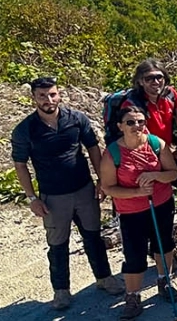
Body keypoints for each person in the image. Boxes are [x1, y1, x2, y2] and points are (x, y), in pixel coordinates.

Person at [11, 76, 120, 308]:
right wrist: (32, 198)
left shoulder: (76, 118)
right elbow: (20, 165)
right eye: (42, 96)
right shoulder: (25, 129)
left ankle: (104, 278)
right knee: (58, 245)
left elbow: (93, 147)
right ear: (34, 98)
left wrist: (101, 180)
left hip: (84, 190)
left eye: (52, 94)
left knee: (94, 236)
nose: (48, 100)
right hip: (52, 197)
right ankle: (61, 291)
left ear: (59, 94)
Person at [97, 101, 177, 321]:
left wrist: (155, 176)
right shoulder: (112, 154)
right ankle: (133, 296)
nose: (137, 126)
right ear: (120, 126)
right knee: (134, 254)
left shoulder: (156, 144)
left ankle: (165, 281)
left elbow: (173, 173)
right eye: (130, 123)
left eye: (141, 121)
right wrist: (137, 192)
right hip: (131, 212)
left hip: (161, 204)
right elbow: (108, 187)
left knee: (164, 243)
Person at [102, 59, 177, 208]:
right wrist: (171, 152)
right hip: (149, 154)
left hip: (165, 151)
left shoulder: (171, 95)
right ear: (140, 81)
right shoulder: (133, 105)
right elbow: (142, 135)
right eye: (149, 78)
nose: (155, 82)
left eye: (159, 77)